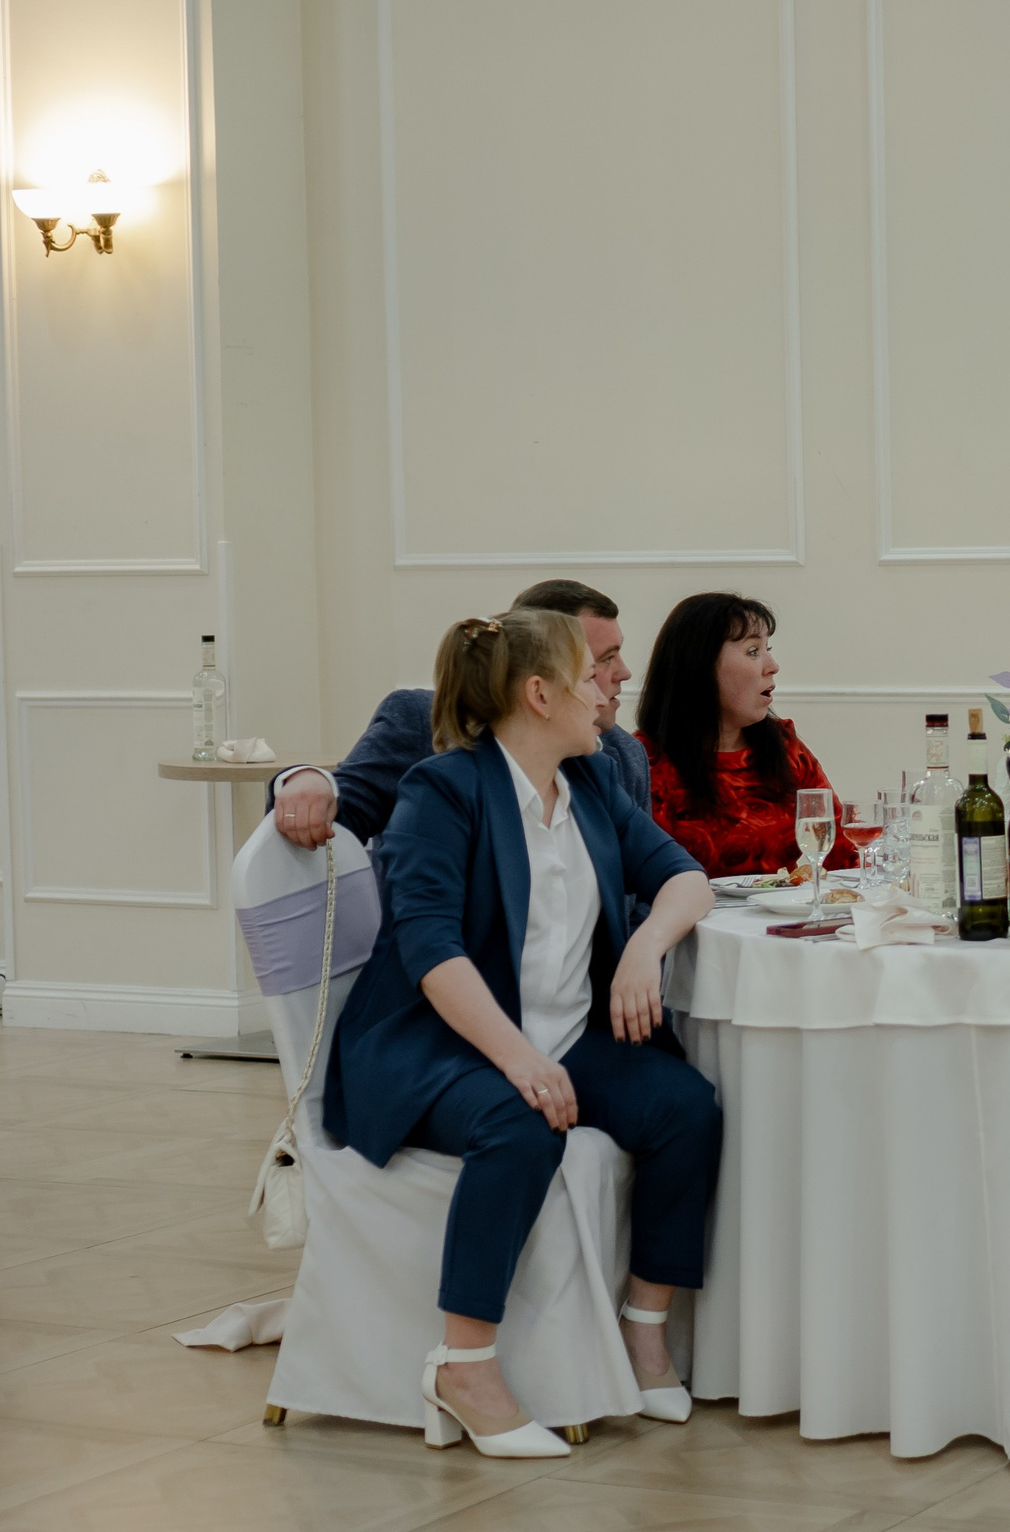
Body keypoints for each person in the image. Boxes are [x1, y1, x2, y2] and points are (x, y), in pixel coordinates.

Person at [325, 608, 721, 1458]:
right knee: (520, 1118)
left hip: (565, 1033)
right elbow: (430, 950)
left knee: (685, 1107)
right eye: (588, 678)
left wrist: (645, 945)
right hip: (441, 1043)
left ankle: (643, 1327)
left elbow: (685, 878)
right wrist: (520, 1060)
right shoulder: (442, 789)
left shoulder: (590, 785)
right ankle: (464, 1363)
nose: (606, 693)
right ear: (539, 695)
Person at [268, 580, 646, 851]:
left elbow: (645, 890)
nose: (625, 673)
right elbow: (337, 820)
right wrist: (309, 779)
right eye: (603, 660)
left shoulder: (622, 756)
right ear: (539, 677)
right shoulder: (424, 722)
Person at [638, 592, 855, 877]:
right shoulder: (643, 761)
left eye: (767, 649)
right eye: (753, 651)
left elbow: (843, 852)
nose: (773, 666)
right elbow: (635, 880)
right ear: (699, 664)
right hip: (689, 907)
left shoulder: (784, 745)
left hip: (779, 906)